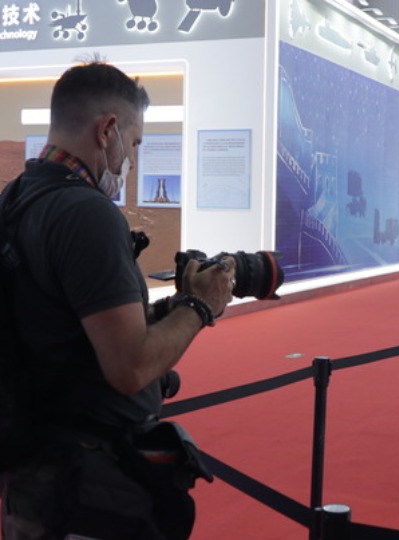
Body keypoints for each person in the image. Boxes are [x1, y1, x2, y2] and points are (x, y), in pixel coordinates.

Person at [0, 59, 236, 539]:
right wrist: (200, 305)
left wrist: (164, 310)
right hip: (87, 482)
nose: (132, 158)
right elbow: (130, 368)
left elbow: (61, 320)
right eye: (135, 143)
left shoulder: (16, 198)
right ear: (107, 130)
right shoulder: (87, 214)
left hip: (33, 466)